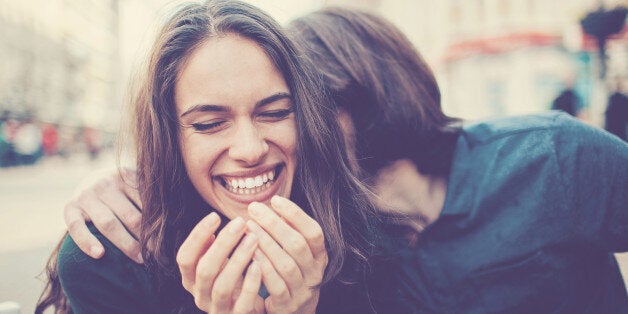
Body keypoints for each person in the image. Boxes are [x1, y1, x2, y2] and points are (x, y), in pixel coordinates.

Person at [58, 6, 628, 313]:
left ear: (366, 88)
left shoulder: (551, 158)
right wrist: (127, 179)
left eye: (286, 109)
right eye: (210, 122)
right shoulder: (321, 237)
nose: (258, 145)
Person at [36, 1, 380, 313]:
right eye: (210, 123)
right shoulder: (106, 261)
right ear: (168, 139)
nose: (250, 149)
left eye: (274, 113)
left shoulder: (367, 242)